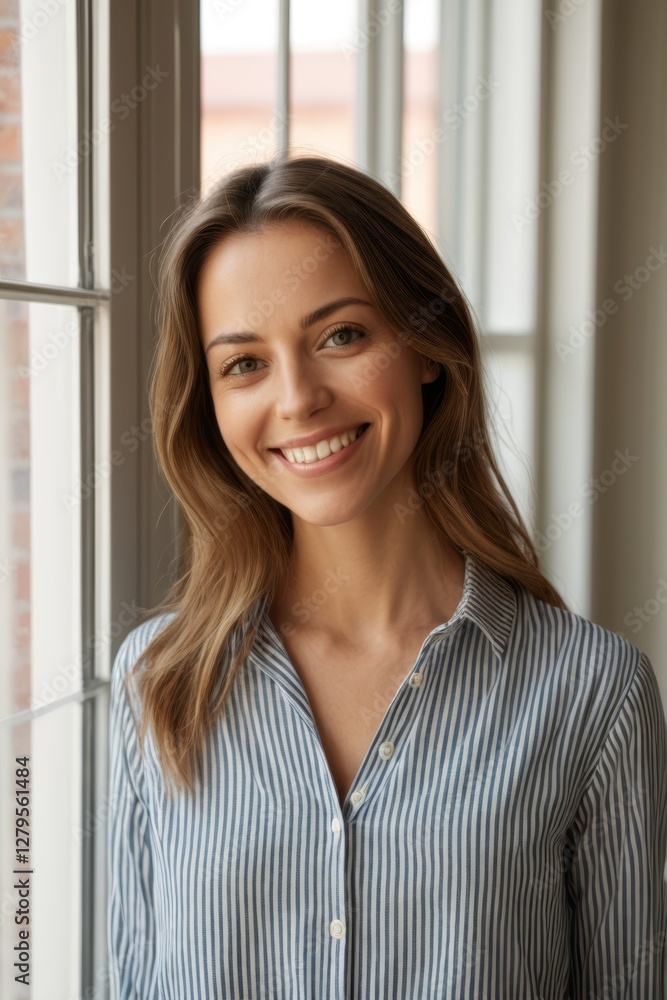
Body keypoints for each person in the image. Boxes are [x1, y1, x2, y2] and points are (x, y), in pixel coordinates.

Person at [107, 153, 667, 999]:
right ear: (210, 406)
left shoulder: (593, 694)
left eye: (341, 336)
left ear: (428, 348)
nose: (297, 399)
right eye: (244, 363)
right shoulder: (158, 680)